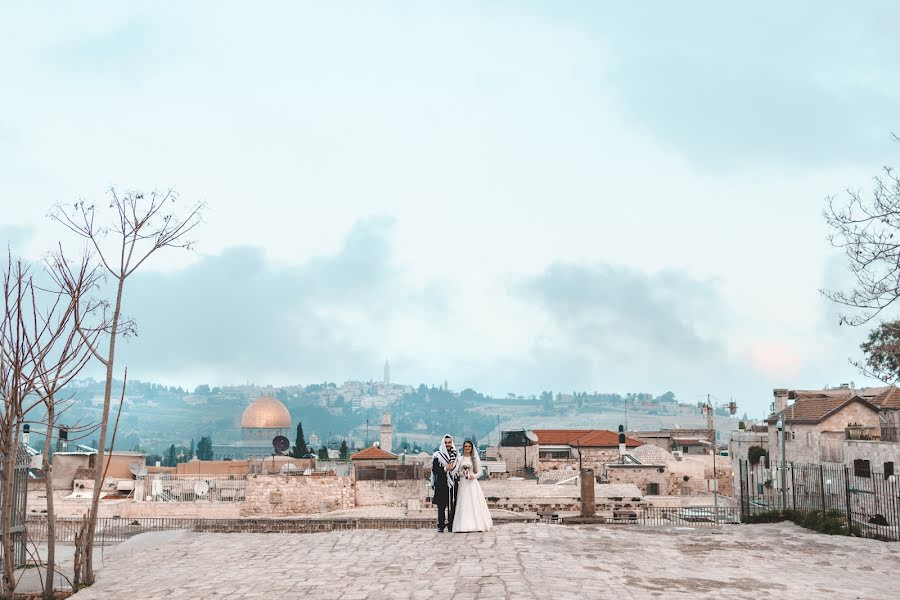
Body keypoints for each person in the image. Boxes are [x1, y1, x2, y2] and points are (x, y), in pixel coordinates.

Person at [451, 440, 493, 533]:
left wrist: (473, 476)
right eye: (465, 446)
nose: (467, 448)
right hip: (463, 484)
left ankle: (476, 524)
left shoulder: (474, 459)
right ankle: (462, 525)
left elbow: (480, 472)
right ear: (463, 447)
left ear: (471, 448)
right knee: (463, 502)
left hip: (472, 483)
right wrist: (463, 473)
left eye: (469, 446)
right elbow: (458, 471)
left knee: (473, 502)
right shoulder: (460, 459)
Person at [431, 434, 459, 532]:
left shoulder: (456, 456)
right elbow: (435, 469)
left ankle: (451, 525)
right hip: (441, 484)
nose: (447, 444)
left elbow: (458, 469)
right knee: (441, 506)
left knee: (452, 504)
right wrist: (445, 468)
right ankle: (441, 525)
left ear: (452, 443)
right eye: (446, 442)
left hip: (453, 484)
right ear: (443, 443)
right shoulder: (437, 455)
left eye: (449, 442)